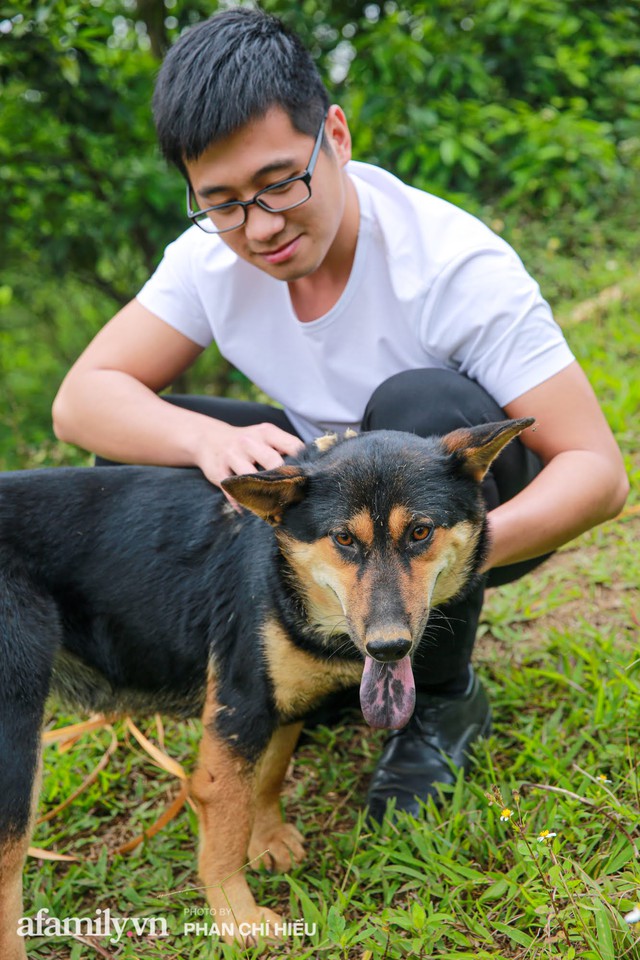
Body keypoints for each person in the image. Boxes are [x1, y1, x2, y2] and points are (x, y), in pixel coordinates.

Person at [52, 8, 628, 821]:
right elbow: (82, 400)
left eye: (282, 181)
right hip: (330, 509)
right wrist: (209, 439)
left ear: (337, 134)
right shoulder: (210, 258)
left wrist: (440, 562)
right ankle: (278, 672)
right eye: (221, 202)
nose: (260, 226)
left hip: (451, 510)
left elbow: (599, 474)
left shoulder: (454, 267)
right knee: (142, 446)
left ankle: (441, 700)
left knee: (419, 407)